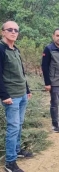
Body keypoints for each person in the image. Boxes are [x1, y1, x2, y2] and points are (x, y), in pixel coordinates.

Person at [0, 21, 33, 172]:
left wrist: (27, 89)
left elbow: (21, 72)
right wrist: (4, 95)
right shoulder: (1, 49)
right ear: (3, 32)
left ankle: (17, 151)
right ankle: (9, 162)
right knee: (13, 128)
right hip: (11, 96)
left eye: (16, 30)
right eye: (10, 29)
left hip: (22, 94)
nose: (13, 32)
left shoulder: (15, 49)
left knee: (19, 125)